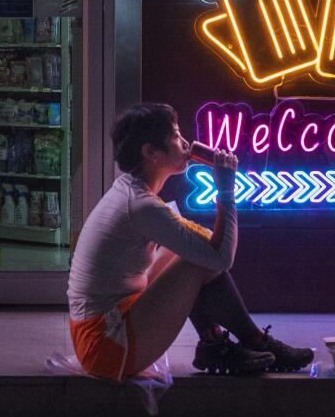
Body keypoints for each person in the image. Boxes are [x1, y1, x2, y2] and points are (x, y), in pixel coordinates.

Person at [68, 103, 314, 379]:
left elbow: (210, 247)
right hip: (106, 347)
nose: (185, 142)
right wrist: (225, 189)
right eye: (175, 135)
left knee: (189, 253)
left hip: (108, 325)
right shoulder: (141, 207)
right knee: (195, 261)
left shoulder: (131, 191)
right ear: (151, 153)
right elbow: (222, 258)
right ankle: (248, 341)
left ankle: (215, 342)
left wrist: (207, 240)